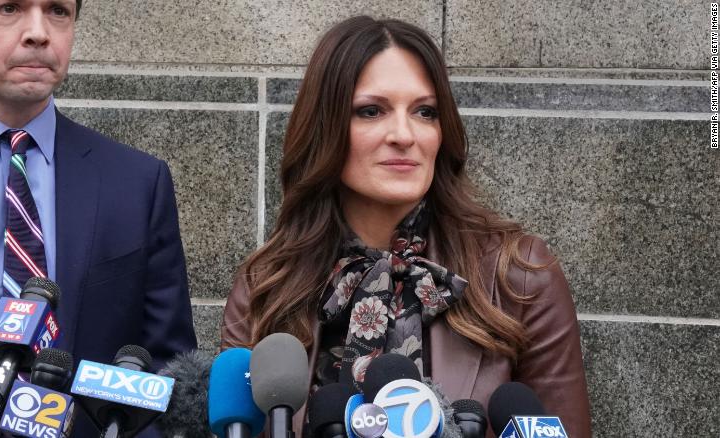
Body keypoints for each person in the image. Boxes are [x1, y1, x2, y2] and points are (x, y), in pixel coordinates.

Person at [221, 16, 591, 438]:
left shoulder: (519, 274)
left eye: (425, 112)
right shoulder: (268, 282)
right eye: (371, 111)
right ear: (325, 129)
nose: (403, 134)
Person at [0, 0, 197, 435]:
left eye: (58, 11)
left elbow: (167, 372)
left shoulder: (135, 183)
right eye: (9, 8)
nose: (38, 32)